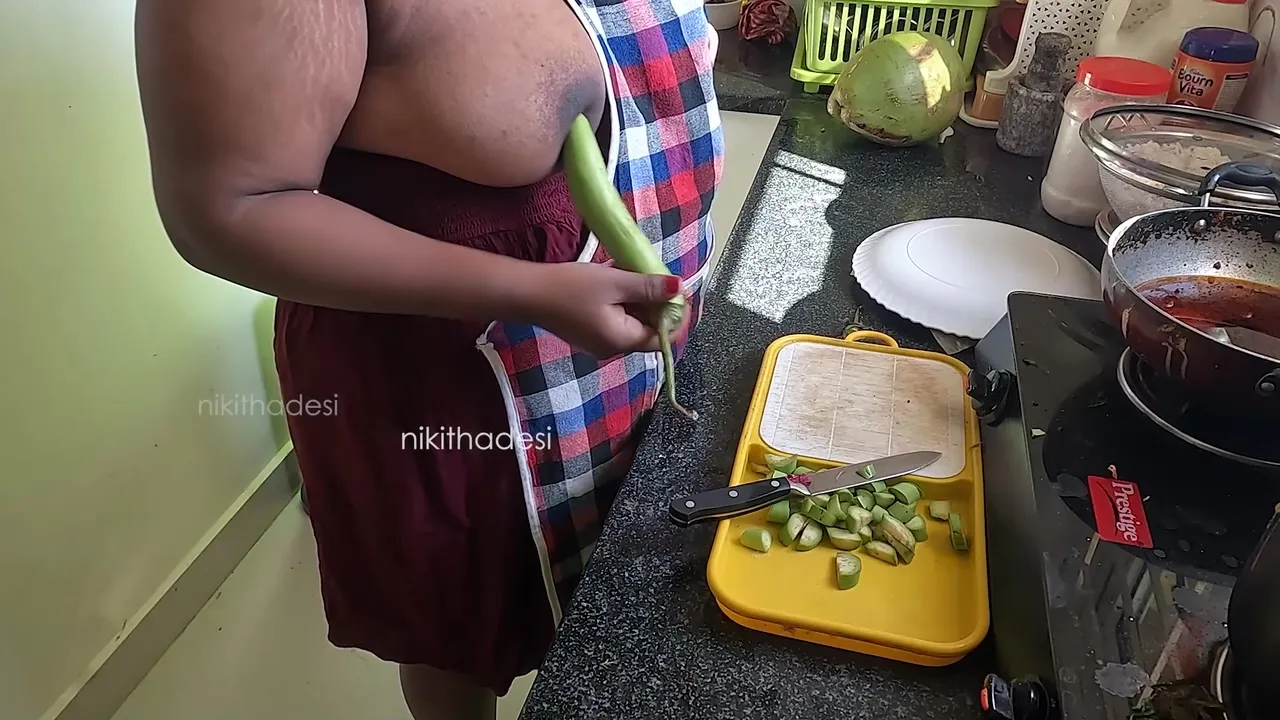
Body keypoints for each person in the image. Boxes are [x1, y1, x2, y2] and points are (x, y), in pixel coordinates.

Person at [133, 0, 722, 718]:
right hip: (434, 392)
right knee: (456, 626)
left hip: (626, 363)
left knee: (618, 599)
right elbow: (223, 210)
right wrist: (532, 291)